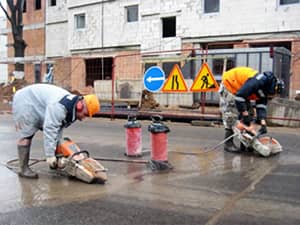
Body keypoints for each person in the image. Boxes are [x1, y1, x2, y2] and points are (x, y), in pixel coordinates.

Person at [12, 83, 100, 179]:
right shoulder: (59, 107)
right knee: (27, 135)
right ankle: (23, 169)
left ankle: (54, 162)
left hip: (39, 102)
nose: (84, 118)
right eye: (85, 114)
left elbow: (58, 128)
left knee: (54, 130)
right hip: (25, 101)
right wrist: (50, 155)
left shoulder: (71, 107)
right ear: (80, 106)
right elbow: (50, 129)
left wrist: (57, 155)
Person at [219, 67, 284, 153]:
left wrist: (263, 123)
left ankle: (246, 143)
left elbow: (261, 106)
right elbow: (239, 97)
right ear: (274, 89)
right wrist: (244, 114)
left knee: (250, 113)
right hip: (230, 85)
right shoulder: (257, 82)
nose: (274, 97)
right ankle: (228, 144)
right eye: (275, 94)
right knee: (231, 115)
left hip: (241, 91)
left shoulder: (265, 89)